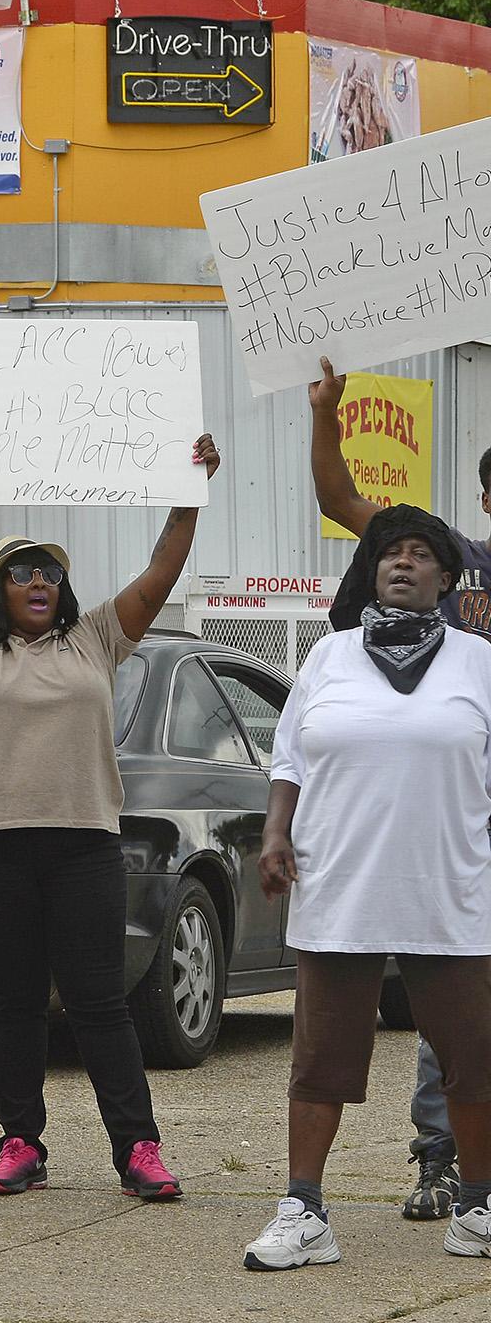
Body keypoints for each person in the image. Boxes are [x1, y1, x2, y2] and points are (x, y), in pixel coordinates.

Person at [0, 420, 218, 1205]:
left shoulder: (97, 639)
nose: (38, 580)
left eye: (48, 571)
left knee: (99, 1002)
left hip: (82, 849)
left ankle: (138, 1149)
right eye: (20, 571)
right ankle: (20, 1143)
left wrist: (188, 494)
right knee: (12, 1004)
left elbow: (161, 570)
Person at [242, 507, 491, 1271]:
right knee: (321, 1060)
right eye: (391, 554)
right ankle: (304, 1211)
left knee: (475, 1058)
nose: (404, 564)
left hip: (453, 890)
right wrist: (276, 833)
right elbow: (291, 759)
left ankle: (478, 1208)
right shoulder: (329, 657)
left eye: (421, 556)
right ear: (371, 572)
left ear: (447, 581)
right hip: (339, 886)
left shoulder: (479, 661)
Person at [309, 356, 488, 1219]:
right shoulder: (451, 557)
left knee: (474, 1016)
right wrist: (325, 417)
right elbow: (341, 498)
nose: (408, 560)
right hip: (435, 817)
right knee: (441, 1003)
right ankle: (440, 1160)